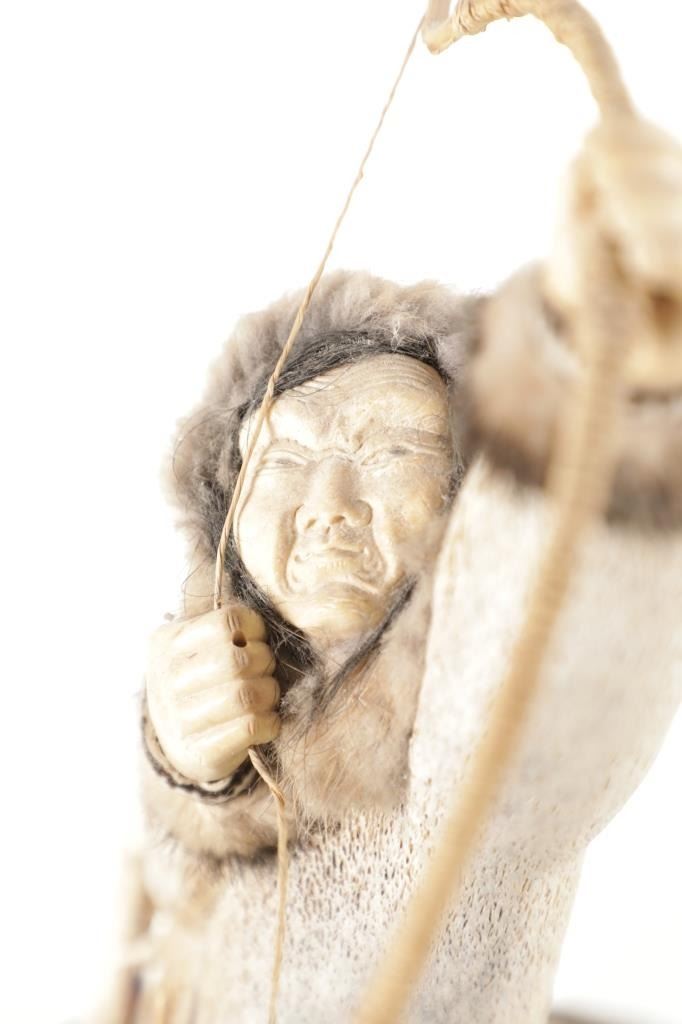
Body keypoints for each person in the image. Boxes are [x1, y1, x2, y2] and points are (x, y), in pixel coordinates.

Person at [131, 121, 681, 1023]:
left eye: (389, 449)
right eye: (285, 459)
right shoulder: (247, 674)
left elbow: (562, 627)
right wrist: (184, 762)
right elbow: (176, 871)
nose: (329, 504)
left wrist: (615, 378)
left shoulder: (465, 744)